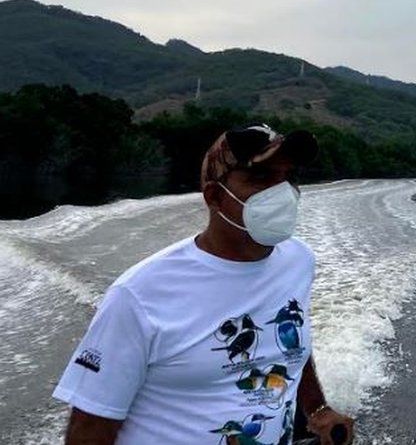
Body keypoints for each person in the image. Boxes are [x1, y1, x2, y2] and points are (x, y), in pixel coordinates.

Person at [52, 123, 355, 444]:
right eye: (261, 178)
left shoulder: (299, 261)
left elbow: (291, 347)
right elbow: (90, 427)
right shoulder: (139, 295)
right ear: (214, 196)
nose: (281, 193)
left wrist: (317, 408)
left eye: (288, 178)